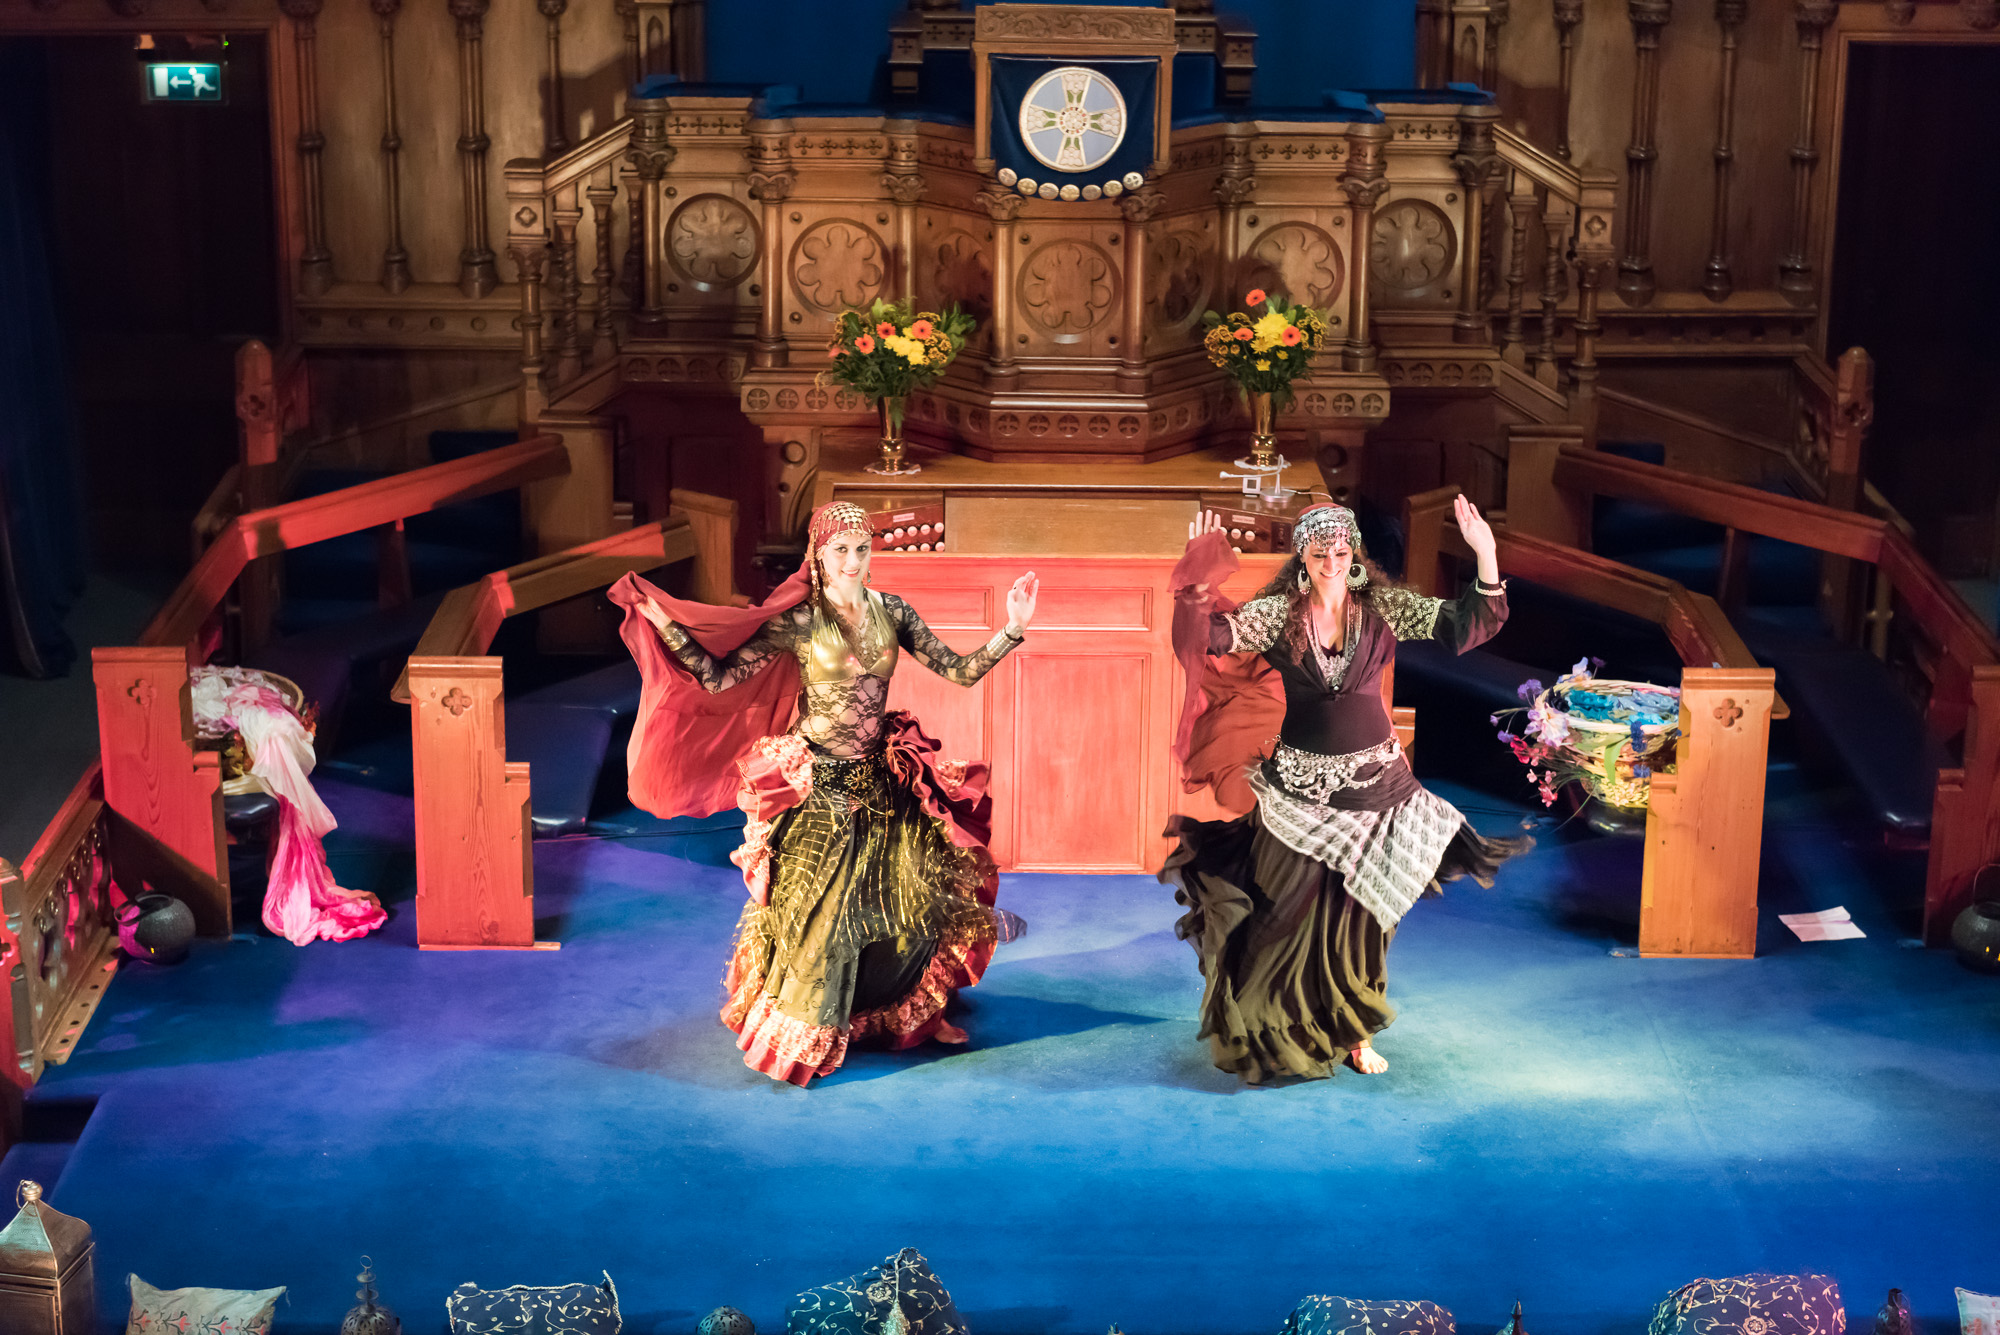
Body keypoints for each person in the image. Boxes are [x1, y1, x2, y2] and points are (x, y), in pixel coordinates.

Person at [611, 501, 1038, 1086]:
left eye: (862, 549)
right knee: (825, 916)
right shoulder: (799, 622)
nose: (853, 561)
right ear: (818, 554)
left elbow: (960, 671)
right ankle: (807, 1029)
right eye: (841, 550)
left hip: (882, 779)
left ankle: (905, 1015)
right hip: (821, 787)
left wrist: (1012, 627)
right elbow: (717, 678)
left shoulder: (893, 611)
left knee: (910, 903)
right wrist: (663, 622)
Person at [1162, 496, 1531, 1084]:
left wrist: (1485, 553)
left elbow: (1466, 624)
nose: (1332, 563)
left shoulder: (1383, 608)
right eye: (1320, 554)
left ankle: (1357, 1034)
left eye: (1340, 551)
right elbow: (1208, 639)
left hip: (1376, 787)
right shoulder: (1279, 615)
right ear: (1302, 559)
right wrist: (1197, 586)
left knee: (1364, 917)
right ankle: (1278, 1022)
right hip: (1299, 792)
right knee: (1280, 912)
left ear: (1353, 552)